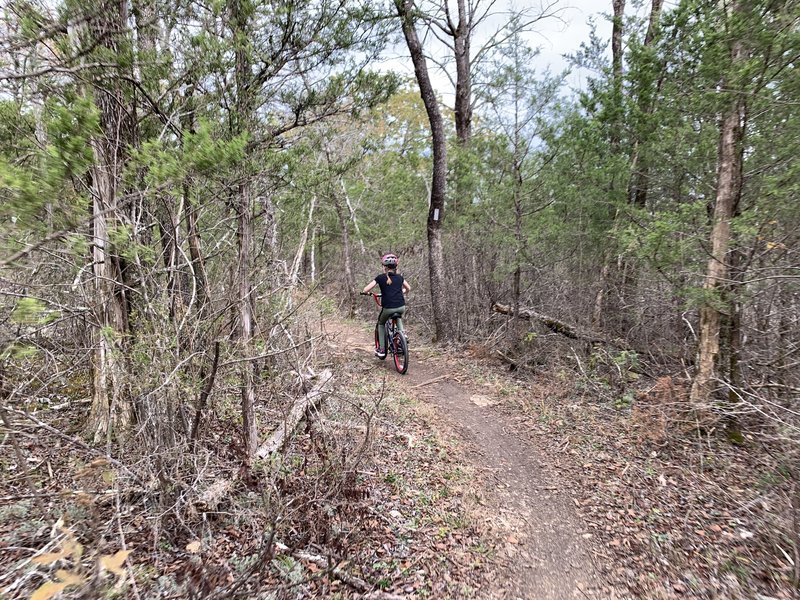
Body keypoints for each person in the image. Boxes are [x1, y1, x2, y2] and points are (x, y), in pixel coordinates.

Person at [362, 253, 411, 358]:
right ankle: (403, 334)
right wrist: (401, 291)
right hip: (401, 307)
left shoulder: (380, 278)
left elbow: (366, 289)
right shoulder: (400, 277)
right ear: (395, 266)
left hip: (388, 308)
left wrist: (366, 293)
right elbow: (408, 288)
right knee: (398, 316)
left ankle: (382, 350)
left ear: (384, 266)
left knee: (381, 323)